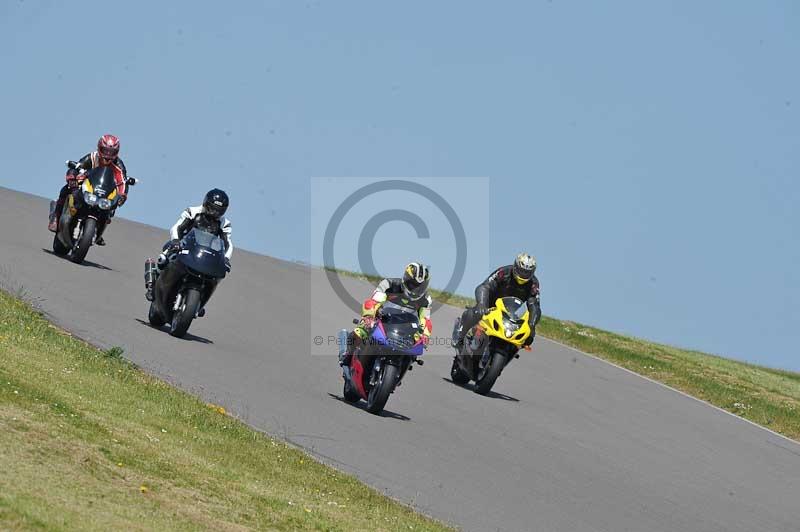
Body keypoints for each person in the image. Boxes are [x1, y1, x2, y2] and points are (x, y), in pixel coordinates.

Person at [145, 189, 233, 302]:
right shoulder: (193, 211)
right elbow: (177, 227)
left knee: (219, 273)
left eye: (218, 211)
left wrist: (225, 258)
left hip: (207, 253)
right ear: (206, 203)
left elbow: (228, 243)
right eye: (212, 209)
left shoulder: (224, 223)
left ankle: (202, 299)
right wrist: (176, 241)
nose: (215, 213)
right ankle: (153, 284)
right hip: (184, 245)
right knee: (164, 257)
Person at [339, 262, 432, 367]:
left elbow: (425, 319)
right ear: (405, 278)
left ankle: (398, 372)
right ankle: (348, 355)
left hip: (406, 329)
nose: (415, 289)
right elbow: (374, 301)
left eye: (420, 286)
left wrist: (425, 335)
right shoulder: (389, 284)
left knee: (415, 349)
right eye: (412, 284)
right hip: (382, 320)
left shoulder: (426, 299)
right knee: (360, 332)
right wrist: (369, 316)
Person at [48, 134, 128, 246]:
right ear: (99, 148)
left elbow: (122, 181)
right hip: (88, 186)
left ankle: (98, 228)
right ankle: (55, 218)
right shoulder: (92, 157)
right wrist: (72, 177)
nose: (108, 155)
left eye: (112, 152)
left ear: (117, 152)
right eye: (105, 150)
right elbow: (77, 166)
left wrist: (122, 194)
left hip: (104, 192)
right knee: (66, 189)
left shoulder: (118, 165)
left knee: (113, 206)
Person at [454, 253, 541, 349]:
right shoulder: (504, 272)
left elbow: (534, 305)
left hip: (512, 313)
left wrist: (532, 325)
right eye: (521, 271)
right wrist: (482, 304)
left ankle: (509, 350)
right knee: (476, 313)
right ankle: (460, 334)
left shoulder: (534, 283)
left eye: (527, 272)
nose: (523, 275)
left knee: (528, 336)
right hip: (491, 305)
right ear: (515, 266)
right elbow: (484, 286)